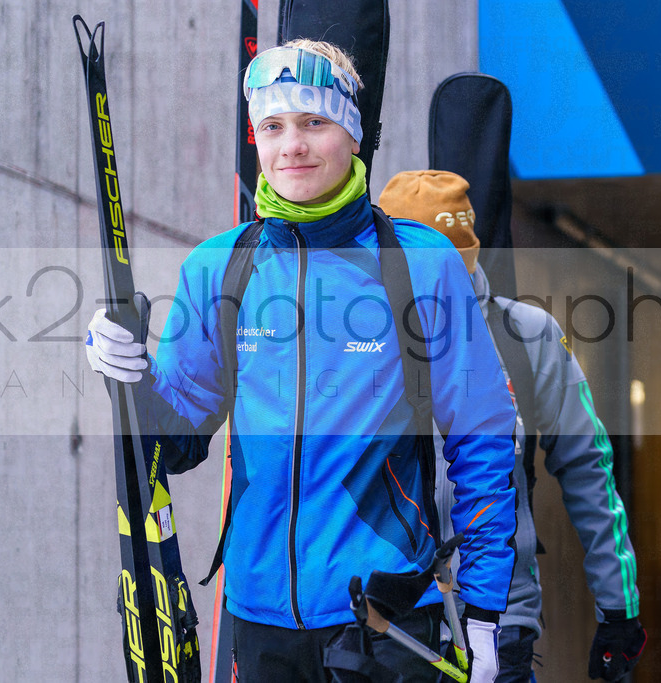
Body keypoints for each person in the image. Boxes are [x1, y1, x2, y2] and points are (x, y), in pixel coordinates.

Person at [85, 41, 518, 682]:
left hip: (387, 622)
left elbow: (482, 440)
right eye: (273, 126)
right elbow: (174, 443)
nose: (293, 145)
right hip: (260, 625)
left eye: (314, 121)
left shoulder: (421, 264)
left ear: (354, 134)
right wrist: (128, 375)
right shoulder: (219, 267)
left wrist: (482, 613)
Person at [378, 170, 646, 682]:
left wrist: (619, 608)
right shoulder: (355, 340)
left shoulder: (528, 335)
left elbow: (588, 467)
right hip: (384, 618)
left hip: (500, 620)